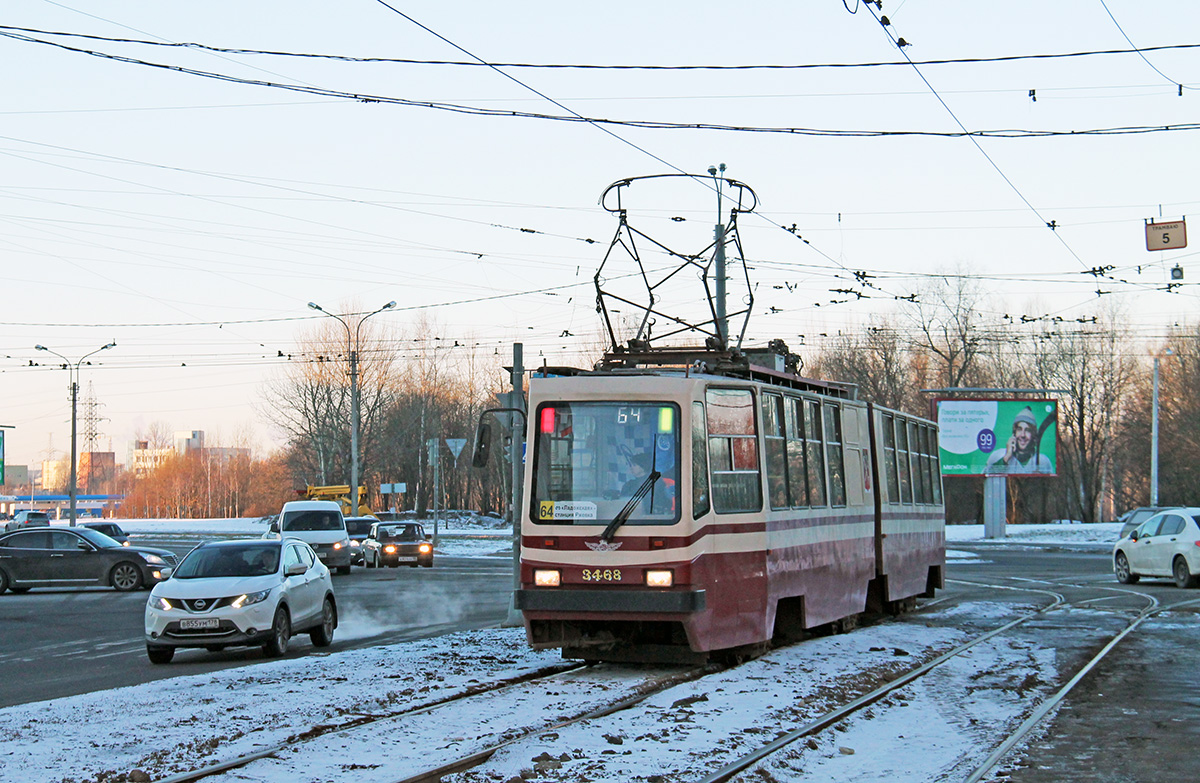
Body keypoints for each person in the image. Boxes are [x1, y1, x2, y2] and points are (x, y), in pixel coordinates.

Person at [986, 406, 1053, 474]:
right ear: (1014, 433)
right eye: (1019, 429)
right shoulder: (998, 455)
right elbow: (985, 476)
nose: (1023, 435)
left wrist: (1041, 479)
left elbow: (1051, 482)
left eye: (1027, 430)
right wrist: (1006, 458)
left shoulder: (1043, 461)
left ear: (1033, 435)